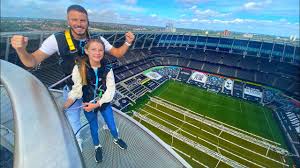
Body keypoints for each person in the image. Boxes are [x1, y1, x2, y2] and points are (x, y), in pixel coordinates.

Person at [10, 4, 134, 151]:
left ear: (88, 22)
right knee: (74, 118)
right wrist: (21, 50)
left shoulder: (97, 39)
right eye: (74, 20)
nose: (79, 24)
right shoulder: (57, 39)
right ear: (68, 21)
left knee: (98, 112)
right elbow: (32, 61)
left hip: (93, 89)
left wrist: (127, 42)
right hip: (73, 88)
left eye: (83, 20)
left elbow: (117, 53)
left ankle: (107, 130)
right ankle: (78, 141)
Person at [64, 38, 126, 163]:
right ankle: (97, 146)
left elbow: (111, 89)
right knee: (94, 128)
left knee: (112, 126)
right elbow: (76, 91)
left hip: (102, 103)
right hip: (88, 104)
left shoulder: (107, 67)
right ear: (86, 51)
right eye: (93, 49)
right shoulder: (79, 68)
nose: (97, 53)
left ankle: (116, 137)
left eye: (100, 50)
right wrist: (64, 106)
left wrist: (97, 103)